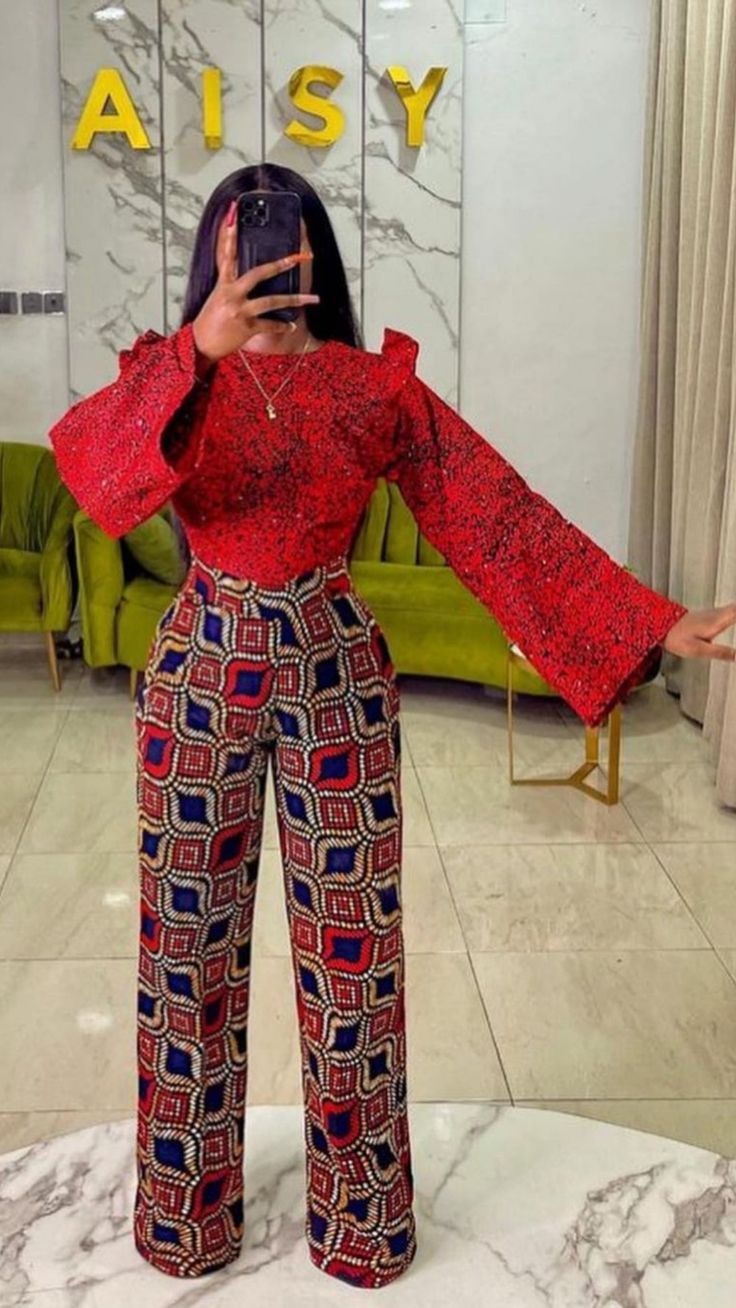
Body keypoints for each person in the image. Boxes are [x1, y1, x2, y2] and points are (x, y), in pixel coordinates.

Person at [48, 162, 736, 1289]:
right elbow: (95, 474)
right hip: (197, 675)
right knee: (183, 952)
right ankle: (184, 1219)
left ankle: (362, 1225)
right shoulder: (165, 379)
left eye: (280, 244)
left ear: (313, 254)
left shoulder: (374, 390)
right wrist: (198, 349)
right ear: (211, 259)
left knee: (352, 962)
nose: (262, 263)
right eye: (239, 247)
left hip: (336, 675)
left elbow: (496, 516)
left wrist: (652, 622)